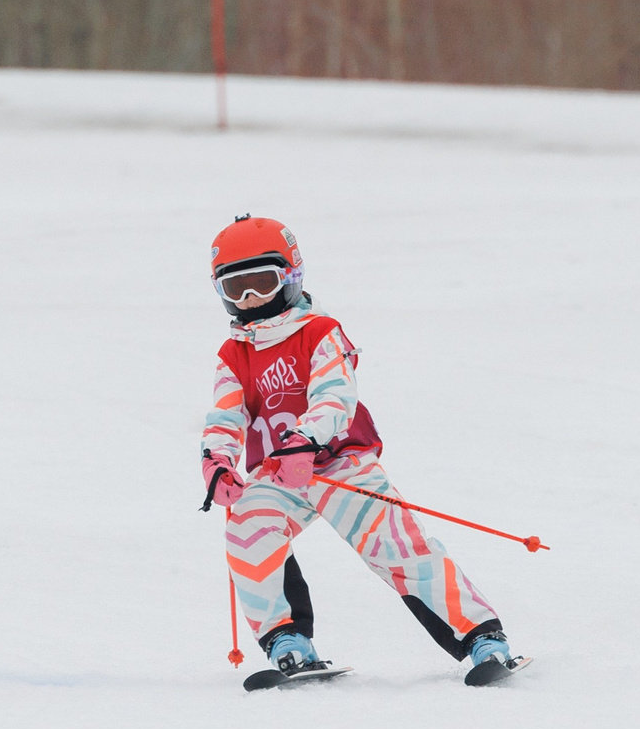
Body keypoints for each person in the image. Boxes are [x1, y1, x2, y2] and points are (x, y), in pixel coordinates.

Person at [199, 214, 519, 687]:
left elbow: (334, 395)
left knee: (394, 544)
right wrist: (218, 460)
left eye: (262, 284)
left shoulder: (320, 332)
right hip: (279, 475)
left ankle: (480, 637)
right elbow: (226, 414)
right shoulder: (234, 354)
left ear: (291, 275)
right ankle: (286, 641)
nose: (250, 300)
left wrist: (306, 440)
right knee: (248, 530)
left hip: (340, 464)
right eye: (236, 289)